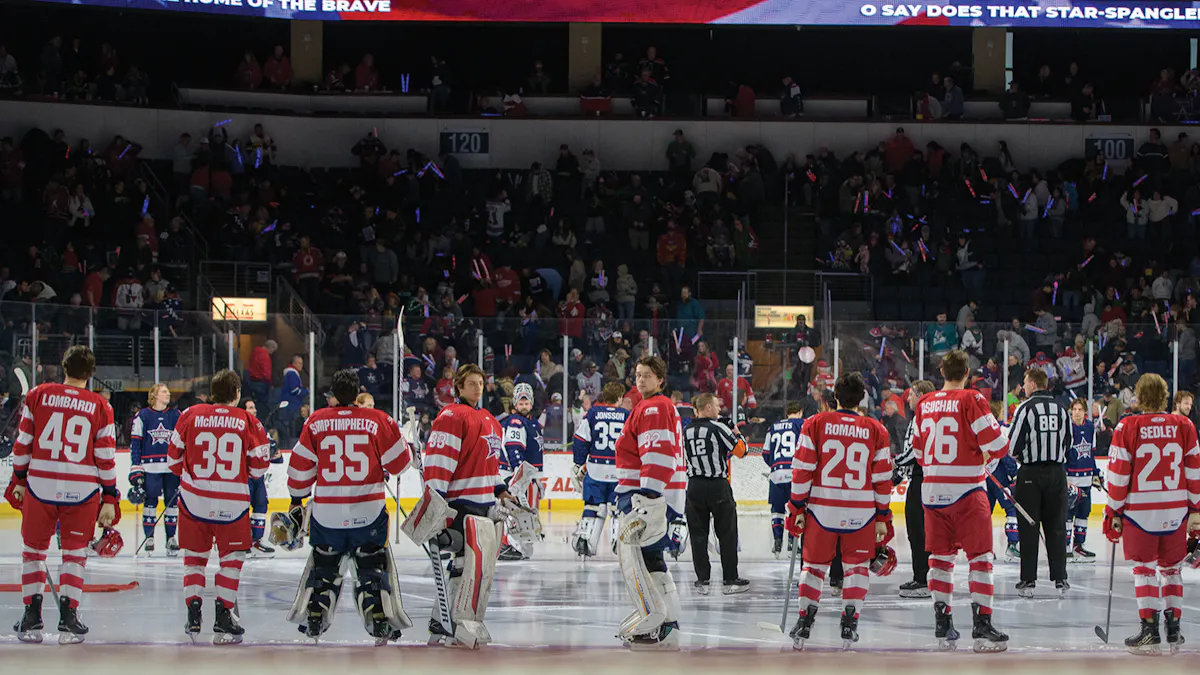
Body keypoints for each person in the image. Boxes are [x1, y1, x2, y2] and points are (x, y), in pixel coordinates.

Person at [283, 368, 414, 644]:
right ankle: (378, 619)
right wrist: (408, 446)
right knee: (371, 568)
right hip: (368, 512)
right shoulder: (377, 420)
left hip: (327, 514)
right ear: (357, 393)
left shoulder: (316, 422)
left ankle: (316, 617)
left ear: (333, 392)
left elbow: (298, 470)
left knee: (325, 567)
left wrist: (297, 499)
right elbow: (400, 464)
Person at [8, 345, 119, 645]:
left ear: (64, 366)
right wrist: (110, 495)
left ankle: (31, 615)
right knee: (74, 555)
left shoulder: (38, 395)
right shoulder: (100, 406)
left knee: (33, 551)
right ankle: (69, 617)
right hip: (81, 491)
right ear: (91, 373)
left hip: (40, 485)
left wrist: (18, 477)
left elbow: (23, 443)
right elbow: (105, 457)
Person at [405, 363, 518, 649]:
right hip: (460, 504)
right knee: (465, 563)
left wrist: (502, 489)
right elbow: (440, 464)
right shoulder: (451, 416)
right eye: (471, 383)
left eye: (480, 382)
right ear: (458, 387)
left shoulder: (490, 420)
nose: (477, 387)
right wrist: (436, 505)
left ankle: (445, 619)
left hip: (484, 506)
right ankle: (448, 619)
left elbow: (489, 464)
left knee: (470, 565)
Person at [785, 372, 893, 651]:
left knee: (814, 568)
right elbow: (882, 479)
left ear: (834, 397)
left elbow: (802, 471)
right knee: (856, 568)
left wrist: (796, 506)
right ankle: (850, 622)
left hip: (823, 510)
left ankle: (805, 621)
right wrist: (883, 516)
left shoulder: (815, 423)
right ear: (862, 398)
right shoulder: (877, 430)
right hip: (862, 513)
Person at [911, 350, 1009, 652]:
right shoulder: (973, 399)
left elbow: (917, 452)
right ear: (967, 372)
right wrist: (983, 453)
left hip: (932, 492)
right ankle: (982, 626)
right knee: (980, 559)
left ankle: (943, 624)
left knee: (940, 559)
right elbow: (999, 445)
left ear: (941, 371)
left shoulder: (924, 404)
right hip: (967, 491)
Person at [168, 370, 270, 644]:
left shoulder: (189, 414)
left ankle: (193, 611)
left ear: (213, 392)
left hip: (193, 501)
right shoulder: (248, 420)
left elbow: (172, 460)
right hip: (232, 503)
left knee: (194, 559)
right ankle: (224, 615)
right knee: (231, 561)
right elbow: (259, 467)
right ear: (237, 393)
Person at [1104, 373, 1200, 655]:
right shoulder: (1184, 425)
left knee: (1144, 570)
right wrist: (1196, 509)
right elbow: (1194, 472)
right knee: (1172, 570)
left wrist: (1113, 510)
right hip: (1175, 510)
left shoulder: (1127, 426)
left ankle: (1149, 630)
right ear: (1165, 396)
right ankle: (1174, 629)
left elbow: (1118, 474)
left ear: (1140, 397)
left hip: (1140, 513)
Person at [612, 355, 686, 650]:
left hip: (644, 495)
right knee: (652, 560)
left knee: (643, 560)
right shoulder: (650, 405)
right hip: (648, 494)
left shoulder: (654, 405)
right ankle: (668, 626)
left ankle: (665, 626)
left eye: (647, 375)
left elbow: (658, 454)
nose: (640, 380)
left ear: (660, 380)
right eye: (638, 374)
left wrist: (649, 497)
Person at [1008, 368, 1072, 597]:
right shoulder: (1062, 410)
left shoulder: (1024, 409)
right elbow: (1069, 443)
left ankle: (1028, 580)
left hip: (1030, 475)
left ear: (1033, 384)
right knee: (1056, 526)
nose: (1023, 387)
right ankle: (1060, 578)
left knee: (1029, 527)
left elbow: (1013, 445)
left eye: (1025, 383)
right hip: (1057, 474)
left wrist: (1024, 457)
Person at [681, 393, 749, 595]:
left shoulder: (686, 430)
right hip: (717, 485)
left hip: (694, 485)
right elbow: (741, 451)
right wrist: (735, 431)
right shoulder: (718, 427)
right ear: (708, 408)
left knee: (698, 534)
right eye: (717, 406)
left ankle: (703, 580)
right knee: (727, 533)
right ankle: (730, 579)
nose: (720, 409)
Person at [570, 382, 628, 557]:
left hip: (595, 468)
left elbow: (580, 440)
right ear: (619, 398)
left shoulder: (593, 414)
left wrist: (579, 463)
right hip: (619, 470)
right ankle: (620, 542)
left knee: (593, 506)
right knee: (617, 508)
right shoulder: (627, 415)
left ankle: (585, 541)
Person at [893, 379, 935, 598]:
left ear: (920, 396)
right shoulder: (922, 417)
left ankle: (924, 579)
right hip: (922, 480)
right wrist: (897, 476)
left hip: (923, 480)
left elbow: (915, 452)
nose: (907, 398)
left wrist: (896, 464)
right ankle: (924, 576)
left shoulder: (923, 417)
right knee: (918, 532)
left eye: (911, 394)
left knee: (919, 531)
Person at [129, 383, 182, 556]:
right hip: (150, 466)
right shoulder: (143, 416)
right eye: (164, 392)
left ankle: (171, 538)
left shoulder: (176, 415)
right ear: (155, 395)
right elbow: (136, 442)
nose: (168, 394)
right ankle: (149, 537)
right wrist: (136, 467)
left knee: (172, 503)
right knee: (150, 501)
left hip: (171, 467)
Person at [499, 383, 544, 561]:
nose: (524, 406)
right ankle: (507, 544)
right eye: (521, 403)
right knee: (514, 508)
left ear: (531, 403)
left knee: (521, 509)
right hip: (514, 473)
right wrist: (518, 472)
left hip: (525, 474)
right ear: (515, 404)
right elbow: (513, 448)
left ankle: (514, 544)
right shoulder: (516, 422)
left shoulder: (532, 423)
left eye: (526, 403)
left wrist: (536, 478)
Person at [763, 402, 806, 557]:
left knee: (777, 508)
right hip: (796, 473)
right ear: (800, 412)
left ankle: (778, 540)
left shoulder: (773, 426)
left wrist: (775, 465)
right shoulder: (803, 424)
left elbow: (766, 453)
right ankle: (792, 543)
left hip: (777, 472)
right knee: (797, 507)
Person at [241, 399, 280, 558]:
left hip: (258, 475)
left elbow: (272, 449)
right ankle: (243, 543)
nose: (254, 410)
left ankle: (256, 541)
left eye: (254, 407)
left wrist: (273, 448)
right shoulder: (240, 427)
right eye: (251, 408)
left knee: (261, 505)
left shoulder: (259, 428)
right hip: (244, 475)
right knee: (243, 508)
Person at [1066, 398, 1100, 561]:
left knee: (1083, 514)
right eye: (1075, 409)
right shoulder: (1066, 428)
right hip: (1070, 480)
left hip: (1086, 480)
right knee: (1067, 514)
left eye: (1080, 409)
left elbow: (1091, 453)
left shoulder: (1089, 427)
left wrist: (1096, 473)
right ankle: (1065, 547)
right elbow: (1063, 454)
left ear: (1085, 411)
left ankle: (1079, 545)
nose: (1077, 412)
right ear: (1071, 411)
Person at [985, 449, 1021, 562]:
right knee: (1011, 509)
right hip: (998, 474)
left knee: (984, 513)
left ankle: (985, 550)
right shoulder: (997, 432)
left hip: (983, 475)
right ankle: (1012, 546)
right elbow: (1003, 452)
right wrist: (1014, 474)